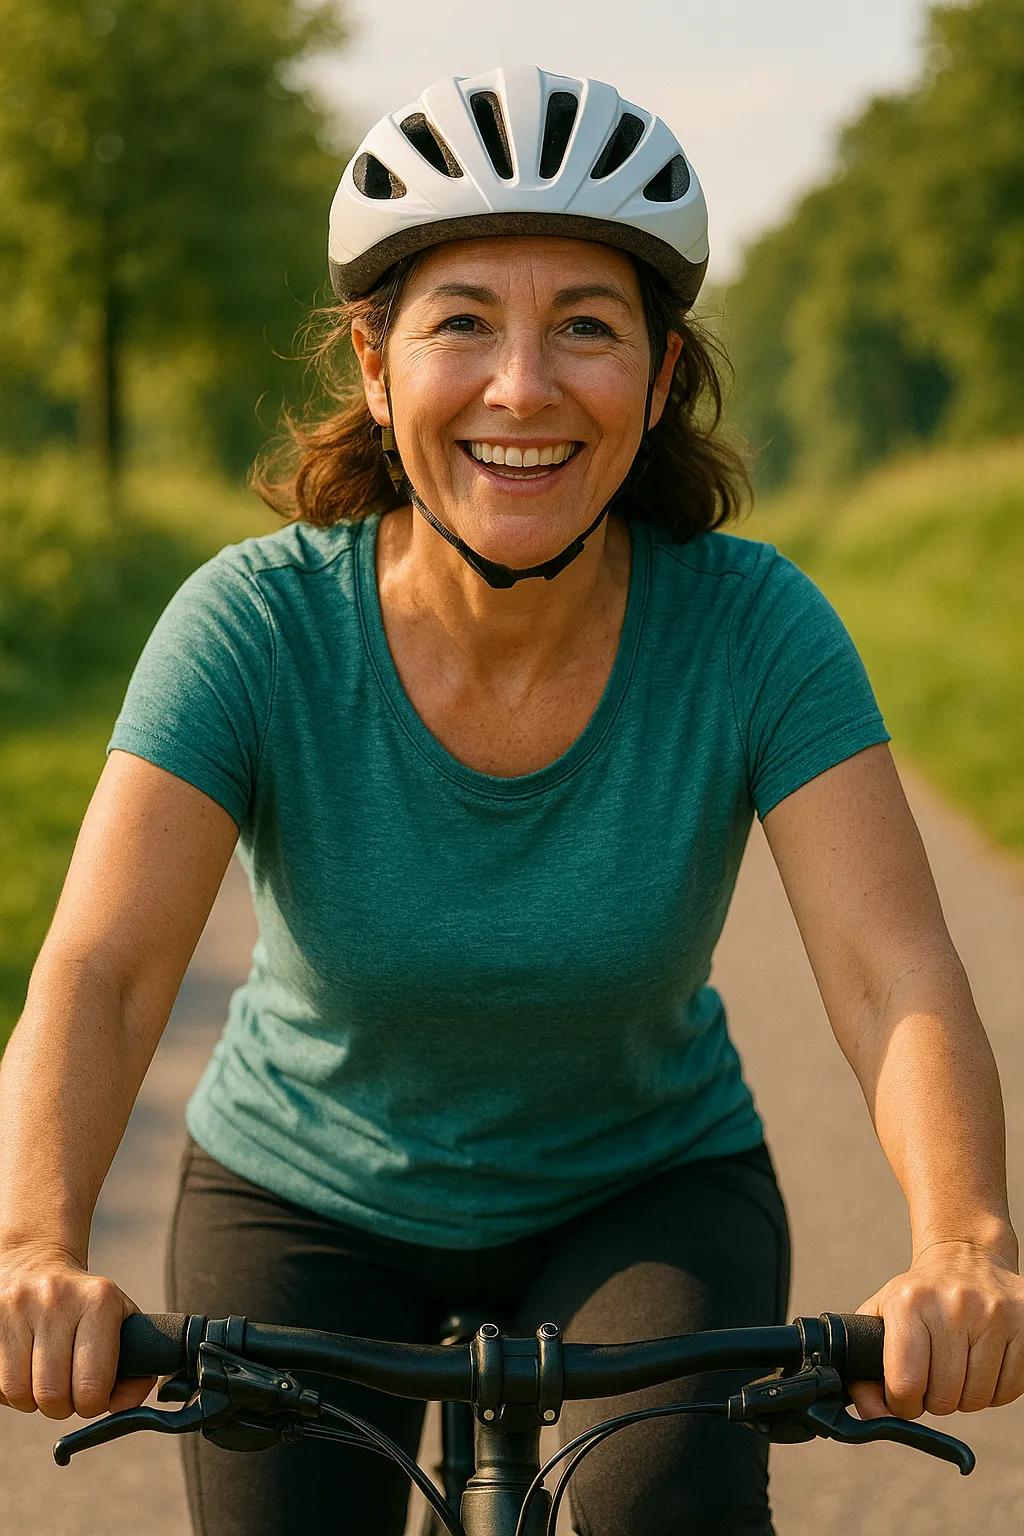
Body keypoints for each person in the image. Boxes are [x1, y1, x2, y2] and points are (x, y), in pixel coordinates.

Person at [0, 64, 1020, 1536]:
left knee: (654, 1509)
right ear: (373, 363)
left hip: (646, 1187)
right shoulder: (256, 625)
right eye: (462, 321)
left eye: (587, 329)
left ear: (660, 380)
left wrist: (965, 1238)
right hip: (301, 1194)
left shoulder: (753, 627)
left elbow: (889, 967)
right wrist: (37, 1239)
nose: (523, 388)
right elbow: (106, 969)